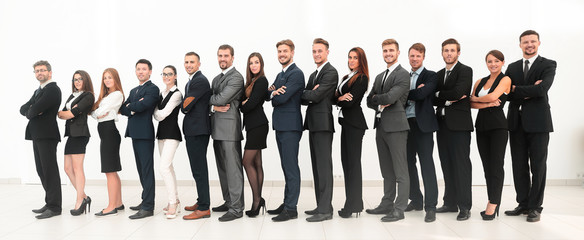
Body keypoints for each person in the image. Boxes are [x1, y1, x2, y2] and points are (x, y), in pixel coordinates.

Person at [504, 30, 556, 222]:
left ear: (539, 43)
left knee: (538, 165)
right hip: (516, 123)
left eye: (533, 41)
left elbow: (542, 89)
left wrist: (518, 89)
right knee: (518, 165)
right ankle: (523, 203)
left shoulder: (548, 64)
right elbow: (506, 93)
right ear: (520, 45)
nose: (529, 44)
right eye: (525, 42)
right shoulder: (512, 67)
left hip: (539, 122)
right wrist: (529, 90)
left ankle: (535, 207)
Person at [366, 39, 410, 222]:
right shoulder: (379, 76)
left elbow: (392, 97)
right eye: (385, 51)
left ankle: (399, 209)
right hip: (381, 126)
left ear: (398, 52)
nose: (388, 53)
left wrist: (381, 97)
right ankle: (387, 203)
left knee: (400, 171)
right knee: (386, 170)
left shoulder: (403, 74)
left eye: (391, 50)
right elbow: (369, 100)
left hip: (397, 127)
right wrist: (379, 98)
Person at [434, 38, 474, 221]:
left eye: (452, 50)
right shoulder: (439, 74)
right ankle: (450, 202)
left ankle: (464, 206)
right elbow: (432, 100)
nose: (449, 53)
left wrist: (440, 95)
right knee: (446, 164)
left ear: (458, 53)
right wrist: (446, 98)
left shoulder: (465, 70)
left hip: (459, 126)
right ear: (442, 53)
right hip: (441, 125)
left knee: (461, 166)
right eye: (446, 50)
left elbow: (460, 92)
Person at [266, 39, 305, 222]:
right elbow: (269, 94)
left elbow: (279, 99)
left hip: (290, 126)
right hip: (281, 125)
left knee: (291, 167)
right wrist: (274, 93)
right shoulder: (281, 74)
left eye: (285, 51)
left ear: (292, 52)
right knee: (285, 166)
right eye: (279, 51)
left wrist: (274, 95)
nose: (282, 54)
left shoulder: (296, 74)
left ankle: (291, 208)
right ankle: (287, 202)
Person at [470, 50, 511, 220]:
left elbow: (494, 96)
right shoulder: (480, 81)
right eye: (489, 61)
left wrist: (480, 99)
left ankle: (493, 204)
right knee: (487, 167)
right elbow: (470, 102)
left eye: (496, 61)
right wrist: (487, 104)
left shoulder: (505, 79)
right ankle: (493, 199)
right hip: (481, 126)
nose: (493, 64)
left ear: (502, 62)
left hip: (498, 127)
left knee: (496, 165)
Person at [301, 38, 339, 222]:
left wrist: (310, 93)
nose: (316, 54)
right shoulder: (314, 74)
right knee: (316, 167)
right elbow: (304, 97)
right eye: (314, 51)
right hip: (313, 124)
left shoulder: (331, 72)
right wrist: (309, 93)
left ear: (327, 52)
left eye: (320, 51)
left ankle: (326, 211)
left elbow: (315, 96)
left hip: (323, 124)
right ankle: (321, 205)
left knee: (324, 167)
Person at [20, 60, 62, 219]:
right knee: (41, 170)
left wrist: (33, 110)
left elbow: (32, 111)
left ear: (49, 72)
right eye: (37, 71)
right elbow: (23, 109)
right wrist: (32, 110)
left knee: (49, 170)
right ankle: (49, 202)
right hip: (37, 135)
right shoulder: (39, 90)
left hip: (47, 135)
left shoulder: (52, 90)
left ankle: (55, 207)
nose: (40, 73)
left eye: (42, 70)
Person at [404, 43, 439, 223]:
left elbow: (422, 94)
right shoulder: (404, 75)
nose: (414, 59)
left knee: (427, 164)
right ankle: (416, 199)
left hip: (423, 125)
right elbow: (410, 95)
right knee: (408, 163)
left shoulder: (431, 75)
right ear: (408, 57)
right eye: (412, 56)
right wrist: (414, 92)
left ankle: (430, 206)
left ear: (423, 56)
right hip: (405, 125)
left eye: (418, 56)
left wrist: (408, 93)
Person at [209, 44, 245, 222]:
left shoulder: (236, 77)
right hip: (216, 129)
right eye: (220, 56)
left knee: (233, 170)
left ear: (232, 57)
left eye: (226, 56)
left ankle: (237, 208)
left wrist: (209, 101)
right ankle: (229, 201)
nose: (222, 59)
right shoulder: (217, 78)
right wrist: (213, 105)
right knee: (223, 169)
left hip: (230, 130)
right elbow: (216, 101)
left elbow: (222, 98)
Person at [120, 59, 160, 220]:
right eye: (138, 69)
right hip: (134, 133)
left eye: (144, 69)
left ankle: (148, 207)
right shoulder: (134, 90)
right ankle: (145, 199)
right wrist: (132, 107)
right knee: (140, 170)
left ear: (150, 71)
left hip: (145, 134)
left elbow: (144, 106)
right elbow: (123, 108)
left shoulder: (153, 89)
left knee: (147, 170)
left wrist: (133, 106)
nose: (141, 72)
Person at [335, 47, 369, 218]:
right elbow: (336, 97)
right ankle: (353, 202)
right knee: (347, 163)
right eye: (349, 57)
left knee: (353, 165)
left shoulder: (362, 78)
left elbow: (351, 102)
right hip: (346, 124)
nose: (351, 60)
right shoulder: (346, 77)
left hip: (355, 125)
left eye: (355, 58)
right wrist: (340, 98)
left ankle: (353, 205)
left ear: (361, 60)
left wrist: (340, 99)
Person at [57, 70, 95, 216]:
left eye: (80, 79)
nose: (77, 82)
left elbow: (71, 114)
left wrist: (68, 112)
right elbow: (61, 113)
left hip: (80, 134)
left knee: (78, 168)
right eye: (75, 80)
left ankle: (79, 200)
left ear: (85, 80)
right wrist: (65, 113)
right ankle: (84, 196)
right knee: (67, 168)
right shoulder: (73, 96)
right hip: (71, 135)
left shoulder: (88, 96)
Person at [181, 52, 213, 220]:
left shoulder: (200, 80)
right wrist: (186, 102)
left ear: (199, 64)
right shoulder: (192, 81)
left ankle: (204, 207)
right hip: (193, 129)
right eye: (186, 62)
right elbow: (187, 102)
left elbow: (186, 106)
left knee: (199, 169)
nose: (188, 65)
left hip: (198, 130)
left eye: (192, 62)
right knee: (197, 169)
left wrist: (185, 105)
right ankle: (202, 200)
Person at [91, 68, 125, 216]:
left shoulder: (117, 94)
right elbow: (94, 112)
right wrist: (98, 112)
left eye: (110, 77)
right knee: (112, 170)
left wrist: (98, 112)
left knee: (109, 171)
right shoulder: (105, 96)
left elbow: (97, 112)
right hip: (105, 133)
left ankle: (111, 206)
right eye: (105, 78)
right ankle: (118, 203)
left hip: (110, 132)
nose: (107, 80)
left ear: (115, 79)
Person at [240, 52, 269, 217]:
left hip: (258, 125)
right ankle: (259, 200)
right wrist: (245, 103)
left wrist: (243, 105)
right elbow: (248, 102)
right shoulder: (251, 82)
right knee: (256, 163)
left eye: (256, 62)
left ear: (261, 64)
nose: (253, 65)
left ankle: (257, 201)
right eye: (251, 63)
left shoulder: (262, 80)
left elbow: (250, 105)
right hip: (252, 126)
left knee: (246, 161)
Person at [153, 65, 183, 219]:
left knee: (163, 168)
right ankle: (175, 199)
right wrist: (157, 113)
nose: (166, 77)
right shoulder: (161, 92)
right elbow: (157, 113)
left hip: (172, 134)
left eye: (169, 74)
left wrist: (156, 113)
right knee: (169, 168)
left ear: (175, 76)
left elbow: (162, 114)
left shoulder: (177, 94)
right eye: (164, 74)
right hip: (161, 134)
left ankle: (173, 203)